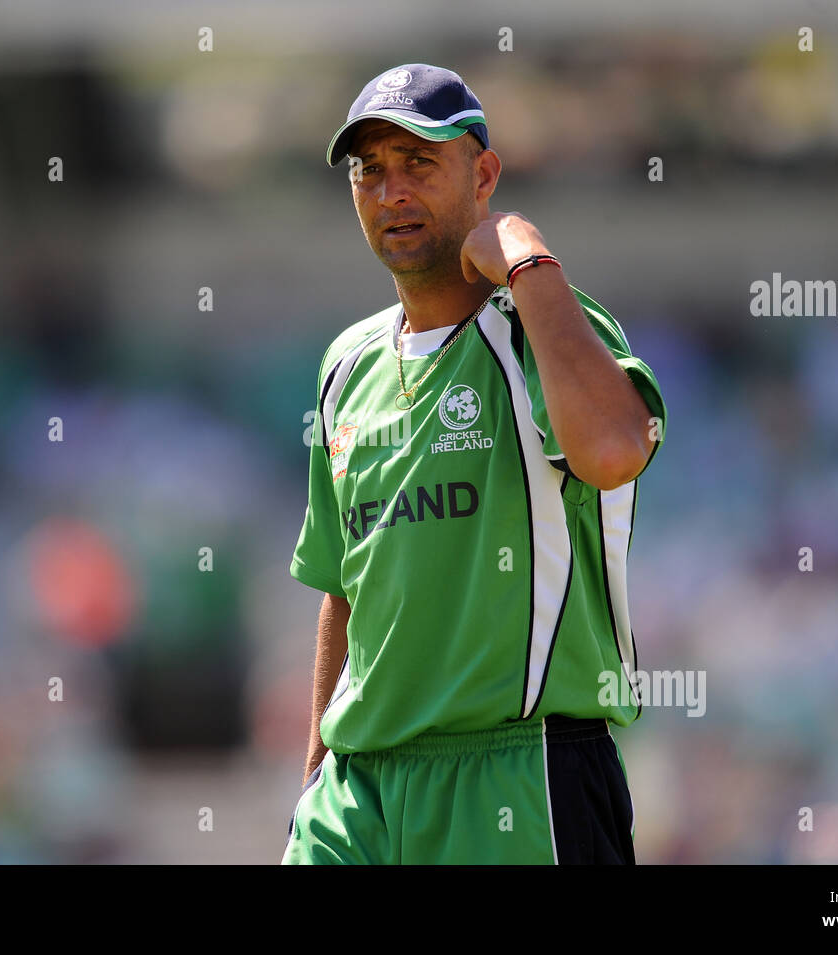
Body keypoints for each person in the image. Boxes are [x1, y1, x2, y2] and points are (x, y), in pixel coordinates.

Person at [282, 63, 667, 864]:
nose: (391, 192)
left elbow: (613, 451)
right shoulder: (344, 364)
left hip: (518, 775)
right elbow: (342, 587)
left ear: (483, 174)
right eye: (370, 170)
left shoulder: (537, 323)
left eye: (417, 163)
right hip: (358, 792)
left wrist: (529, 263)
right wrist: (317, 775)